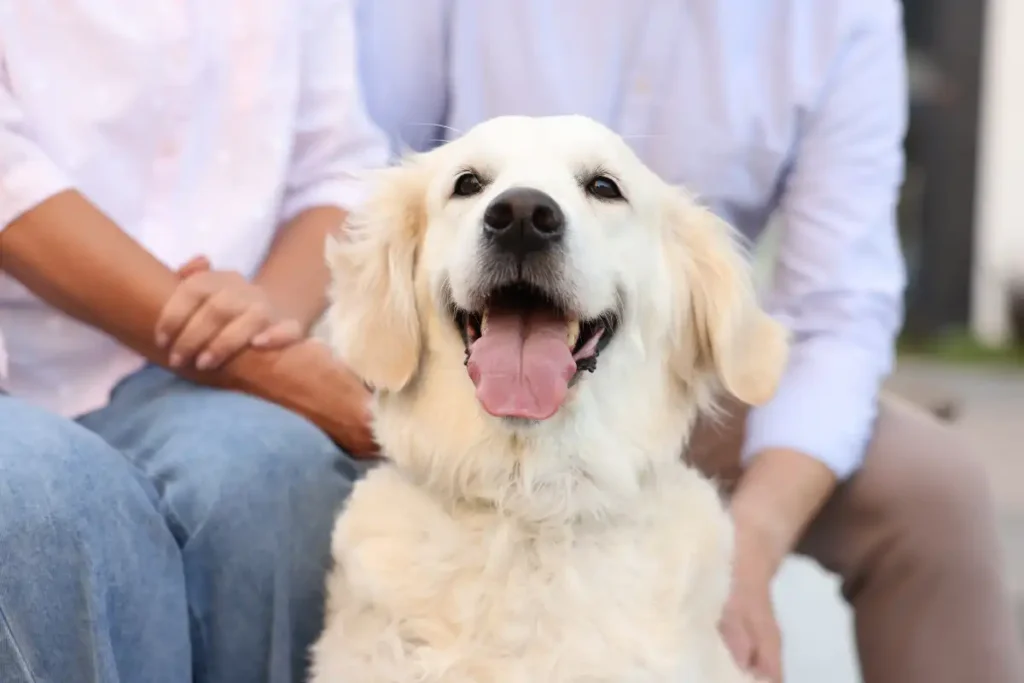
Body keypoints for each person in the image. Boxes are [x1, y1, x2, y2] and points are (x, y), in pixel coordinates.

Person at [354, 1, 1024, 682]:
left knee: (934, 489)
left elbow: (838, 312)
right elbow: (360, 165)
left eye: (601, 188)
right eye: (476, 184)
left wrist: (747, 553)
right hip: (431, 373)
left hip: (671, 377)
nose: (523, 213)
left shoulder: (840, 14)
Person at [0, 1, 385, 681]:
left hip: (212, 362)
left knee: (274, 475)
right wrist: (267, 365)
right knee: (42, 500)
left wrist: (264, 315)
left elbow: (337, 173)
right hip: (23, 354)